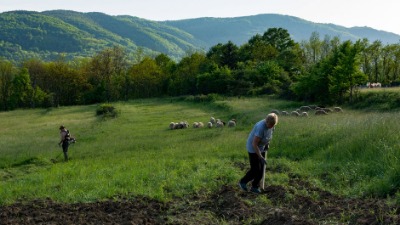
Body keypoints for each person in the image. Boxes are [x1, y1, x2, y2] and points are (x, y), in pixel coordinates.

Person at [239, 113, 278, 193]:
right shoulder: (260, 127)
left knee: (262, 170)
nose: (271, 126)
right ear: (266, 122)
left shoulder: (272, 126)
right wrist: (260, 156)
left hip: (262, 147)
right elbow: (254, 144)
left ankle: (254, 186)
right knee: (255, 169)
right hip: (253, 148)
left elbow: (269, 136)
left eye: (273, 125)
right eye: (270, 125)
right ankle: (242, 182)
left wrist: (267, 144)